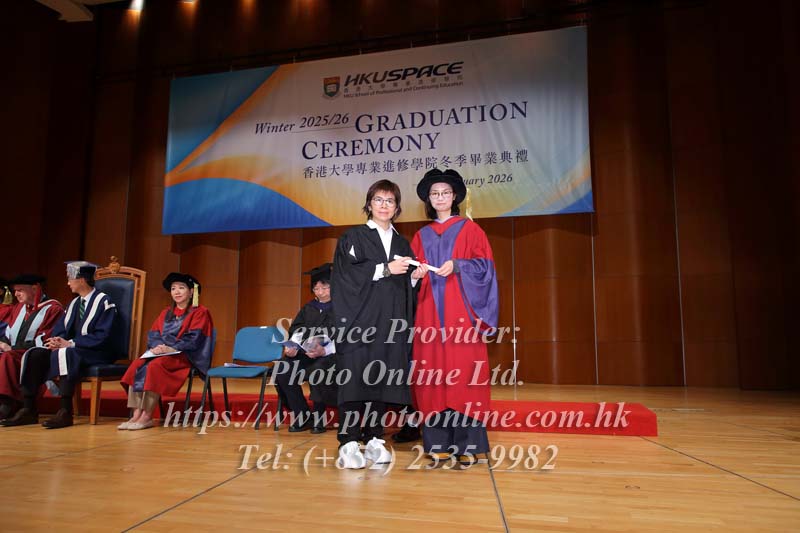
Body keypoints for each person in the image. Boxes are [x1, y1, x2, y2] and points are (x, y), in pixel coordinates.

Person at [409, 168, 499, 468]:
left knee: (463, 376)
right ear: (428, 199)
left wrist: (459, 265)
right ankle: (437, 444)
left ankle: (468, 445)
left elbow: (486, 270)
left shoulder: (471, 230)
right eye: (434, 194)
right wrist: (415, 275)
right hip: (429, 316)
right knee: (431, 374)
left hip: (462, 316)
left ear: (455, 196)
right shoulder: (420, 236)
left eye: (445, 193)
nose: (440, 198)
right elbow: (410, 275)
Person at [331, 179, 415, 469]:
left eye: (390, 201)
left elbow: (403, 287)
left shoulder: (402, 243)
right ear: (369, 204)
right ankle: (349, 441)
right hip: (359, 322)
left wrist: (413, 279)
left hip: (389, 324)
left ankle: (375, 438)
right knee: (354, 380)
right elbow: (344, 277)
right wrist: (384, 269)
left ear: (397, 208)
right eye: (378, 200)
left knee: (380, 380)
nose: (383, 205)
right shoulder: (353, 237)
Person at [1, 261, 118, 429]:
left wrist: (70, 343)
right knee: (35, 353)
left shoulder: (104, 302)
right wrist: (56, 341)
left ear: (82, 280)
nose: (68, 283)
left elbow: (103, 335)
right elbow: (60, 329)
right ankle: (29, 408)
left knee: (65, 353)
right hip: (74, 349)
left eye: (70, 278)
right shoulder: (74, 303)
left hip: (96, 351)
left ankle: (65, 410)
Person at [119, 272, 213, 430]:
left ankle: (147, 416)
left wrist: (172, 347)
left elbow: (195, 339)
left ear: (191, 292)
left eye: (181, 288)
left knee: (154, 367)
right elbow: (154, 334)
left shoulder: (200, 312)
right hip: (163, 353)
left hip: (186, 356)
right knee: (137, 365)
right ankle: (136, 414)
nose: (176, 292)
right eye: (173, 288)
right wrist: (158, 347)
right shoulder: (166, 313)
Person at [274, 263, 337, 433]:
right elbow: (296, 330)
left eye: (324, 287)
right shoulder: (309, 308)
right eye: (316, 288)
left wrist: (324, 350)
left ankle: (319, 419)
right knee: (283, 369)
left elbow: (346, 336)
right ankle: (303, 416)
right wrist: (292, 348)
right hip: (305, 354)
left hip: (330, 356)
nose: (320, 292)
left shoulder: (341, 308)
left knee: (318, 371)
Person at [0, 275, 65, 420]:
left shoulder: (53, 309)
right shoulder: (19, 309)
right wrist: (3, 344)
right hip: (17, 352)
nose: (16, 294)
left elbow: (47, 339)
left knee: (9, 357)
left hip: (40, 353)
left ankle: (8, 404)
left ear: (35, 289)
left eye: (20, 290)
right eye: (15, 291)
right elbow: (8, 334)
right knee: (5, 355)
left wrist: (13, 348)